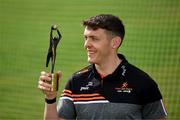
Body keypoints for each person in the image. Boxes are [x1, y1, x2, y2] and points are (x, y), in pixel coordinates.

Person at [38, 14, 167, 119]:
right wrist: (50, 98)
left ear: (115, 42)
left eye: (94, 38)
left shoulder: (143, 83)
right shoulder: (76, 81)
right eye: (86, 38)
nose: (86, 45)